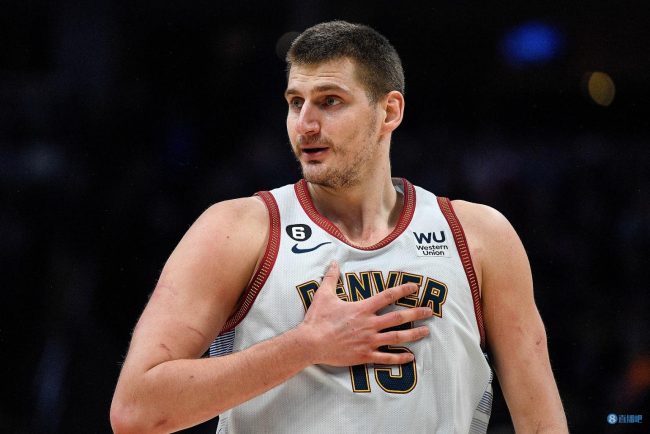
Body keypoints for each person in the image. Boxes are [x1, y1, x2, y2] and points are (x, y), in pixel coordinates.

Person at [110, 20, 568, 433]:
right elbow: (136, 409)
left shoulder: (480, 237)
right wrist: (304, 346)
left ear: (389, 112)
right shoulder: (237, 229)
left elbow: (542, 424)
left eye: (330, 101)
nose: (305, 124)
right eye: (295, 103)